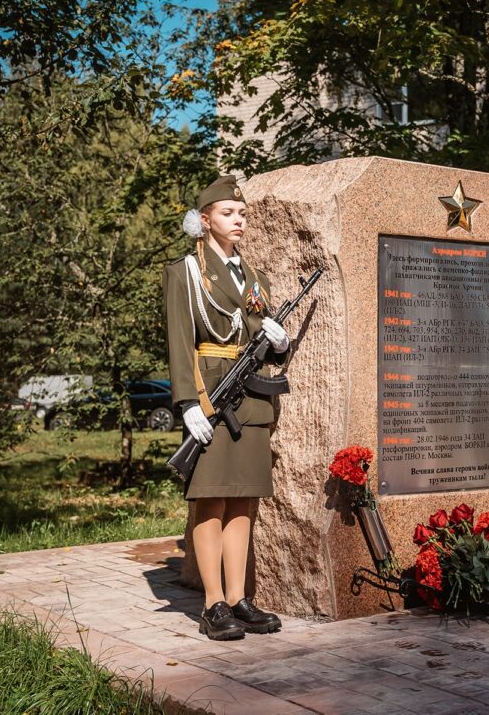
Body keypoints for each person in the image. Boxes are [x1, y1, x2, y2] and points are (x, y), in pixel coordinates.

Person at [163, 175, 290, 640]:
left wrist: (280, 342)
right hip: (210, 397)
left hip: (251, 400)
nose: (238, 221)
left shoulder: (255, 276)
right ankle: (213, 604)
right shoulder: (185, 273)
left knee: (243, 501)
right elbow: (179, 341)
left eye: (241, 214)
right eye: (227, 213)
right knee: (210, 500)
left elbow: (261, 339)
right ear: (204, 220)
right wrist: (185, 403)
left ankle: (239, 598)